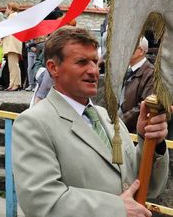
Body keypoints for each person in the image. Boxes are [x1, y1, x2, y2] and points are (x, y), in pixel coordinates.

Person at [12, 26, 169, 217]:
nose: (93, 70)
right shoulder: (33, 123)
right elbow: (41, 201)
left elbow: (148, 187)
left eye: (95, 61)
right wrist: (116, 208)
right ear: (53, 68)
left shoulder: (107, 117)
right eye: (81, 62)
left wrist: (151, 141)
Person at [119, 37, 154, 133]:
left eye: (129, 46)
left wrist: (120, 121)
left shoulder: (151, 73)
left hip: (134, 132)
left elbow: (144, 105)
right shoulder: (125, 69)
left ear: (141, 51)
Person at [0, 2, 22, 91]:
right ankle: (12, 83)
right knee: (12, 66)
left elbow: (5, 30)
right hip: (13, 44)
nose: (6, 10)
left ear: (11, 9)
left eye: (7, 8)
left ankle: (16, 84)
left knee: (13, 66)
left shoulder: (12, 17)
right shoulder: (15, 17)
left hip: (12, 45)